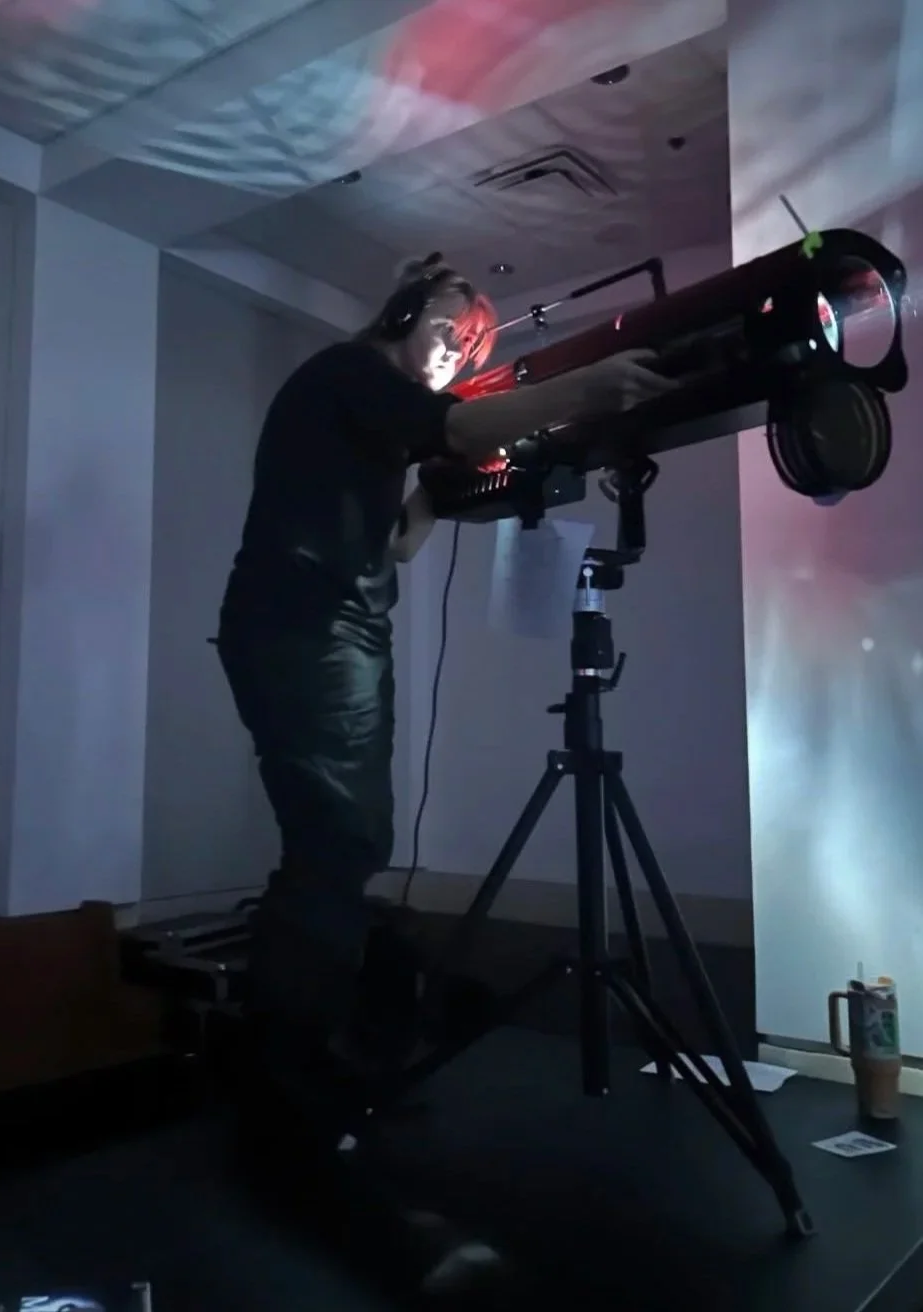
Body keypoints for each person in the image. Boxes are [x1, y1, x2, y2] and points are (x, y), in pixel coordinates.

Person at [218, 252, 674, 1122]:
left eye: (464, 349)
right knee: (337, 841)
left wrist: (435, 493)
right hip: (305, 632)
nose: (453, 355)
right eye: (443, 331)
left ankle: (308, 1041)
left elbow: (394, 544)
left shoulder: (375, 416)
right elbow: (460, 429)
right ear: (398, 317)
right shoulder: (350, 370)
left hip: (332, 631)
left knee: (349, 837)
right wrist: (585, 391)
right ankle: (284, 1064)